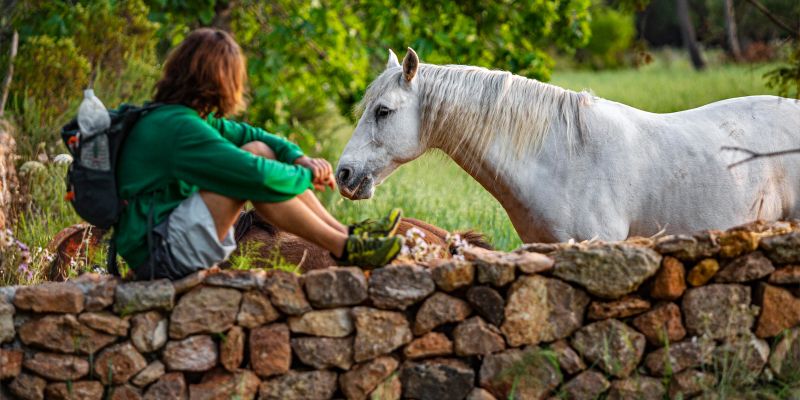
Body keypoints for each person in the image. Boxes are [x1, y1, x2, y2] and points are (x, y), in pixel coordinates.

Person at [115, 28, 403, 280]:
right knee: (255, 170)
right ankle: (344, 246)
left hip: (165, 238)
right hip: (160, 256)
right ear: (220, 81)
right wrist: (303, 175)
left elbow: (254, 136)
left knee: (259, 150)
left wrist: (297, 158)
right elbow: (253, 174)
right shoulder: (179, 128)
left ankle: (348, 237)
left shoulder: (180, 117)